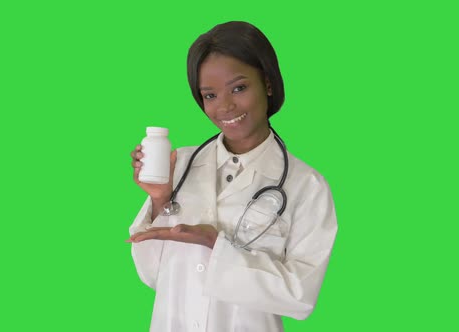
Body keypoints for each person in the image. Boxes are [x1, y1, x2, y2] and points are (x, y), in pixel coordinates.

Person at [127, 21, 338, 332]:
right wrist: (160, 201)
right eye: (209, 95)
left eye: (239, 88)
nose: (224, 106)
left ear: (267, 83)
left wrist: (216, 244)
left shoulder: (306, 186)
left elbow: (300, 297)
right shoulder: (180, 164)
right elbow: (153, 275)